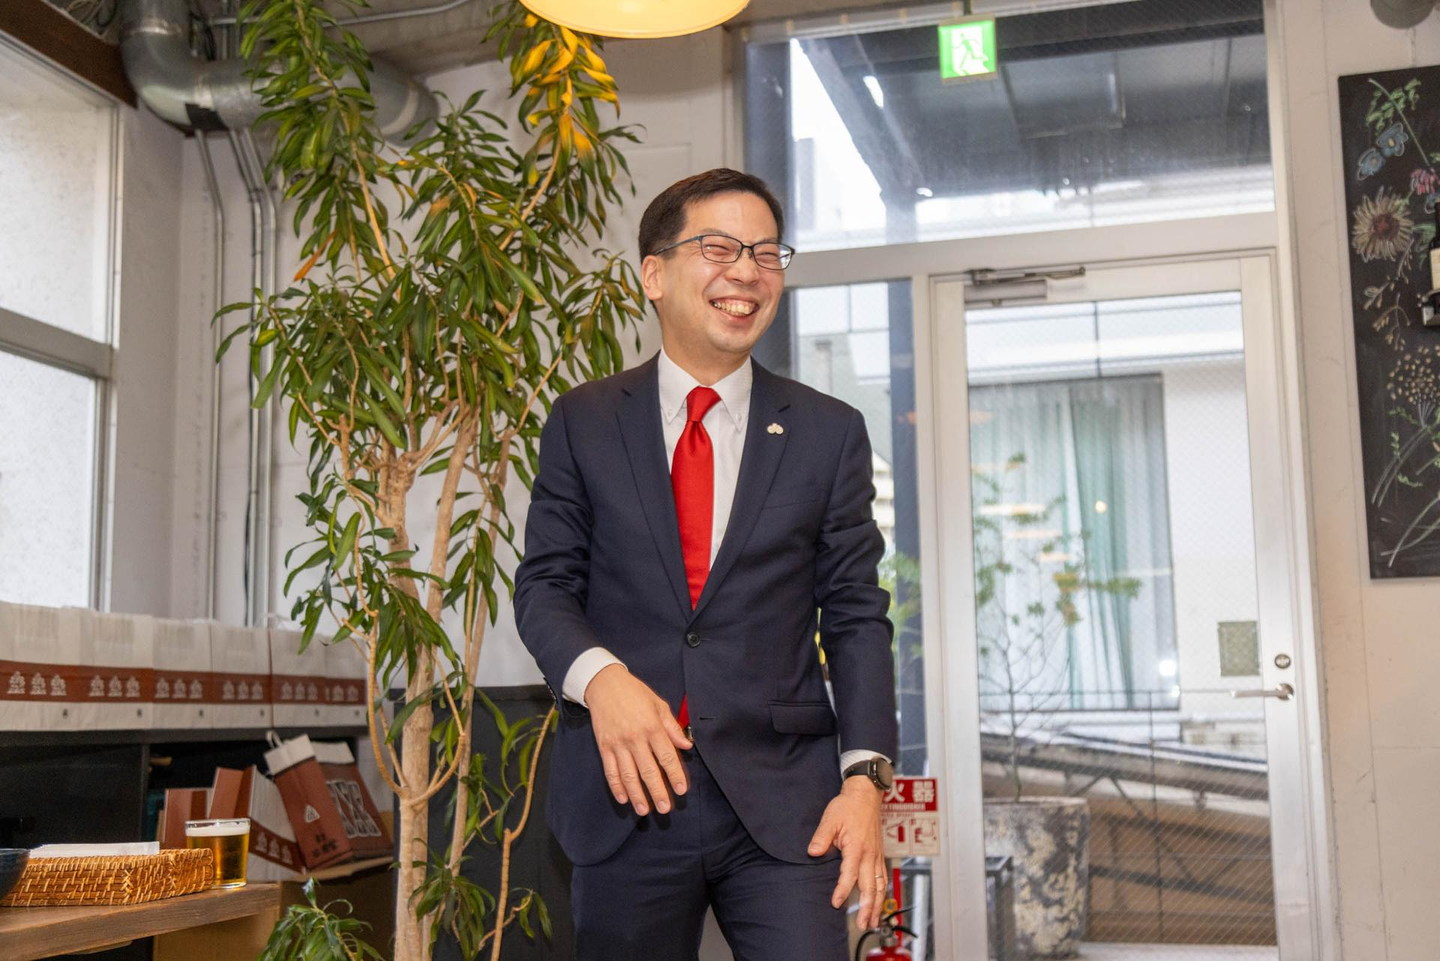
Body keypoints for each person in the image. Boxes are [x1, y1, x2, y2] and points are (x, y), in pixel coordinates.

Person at [513, 167, 898, 961]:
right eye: (719, 248)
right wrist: (602, 680)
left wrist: (865, 778)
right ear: (653, 275)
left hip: (786, 803)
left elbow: (857, 613)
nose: (748, 271)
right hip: (627, 792)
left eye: (766, 252)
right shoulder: (584, 421)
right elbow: (545, 586)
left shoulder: (829, 432)